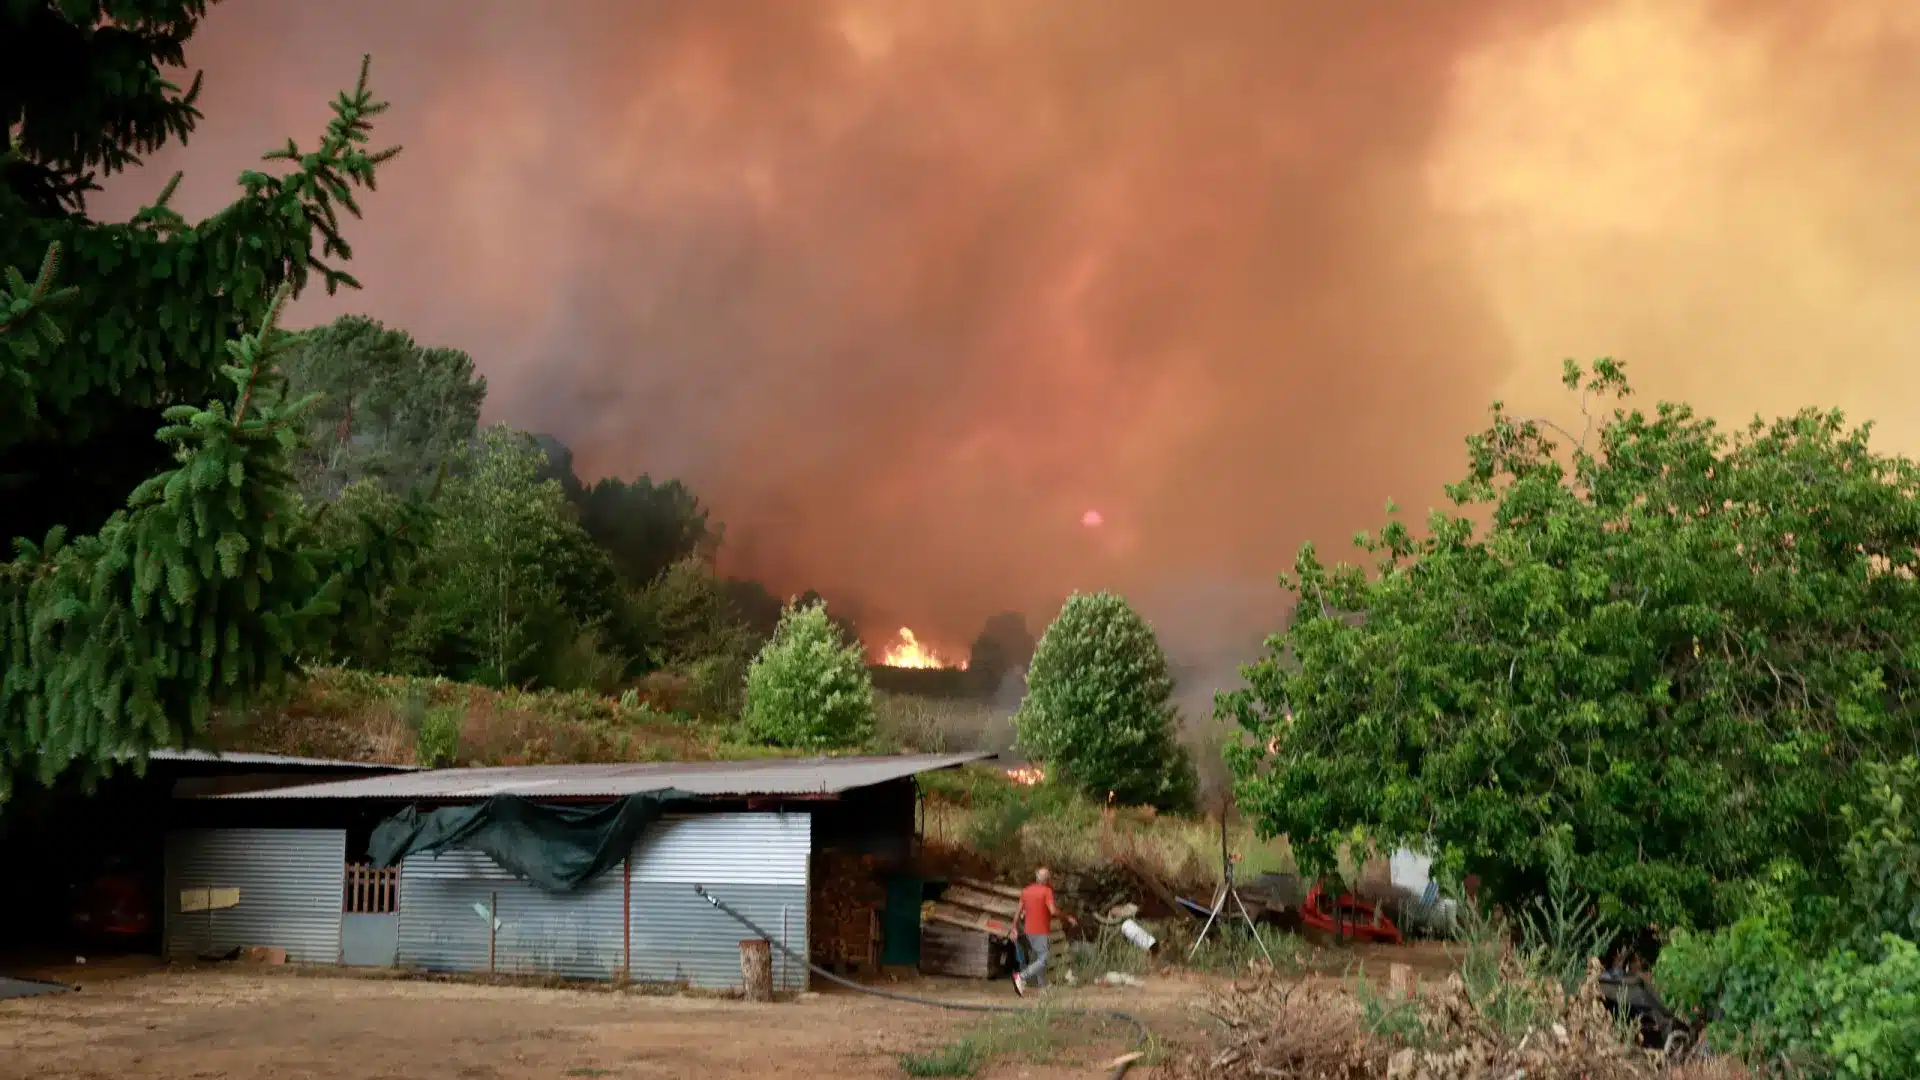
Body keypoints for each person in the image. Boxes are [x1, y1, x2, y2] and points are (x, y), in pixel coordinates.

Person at [1012, 866, 1070, 995]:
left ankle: (1043, 987)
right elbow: (1053, 911)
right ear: (1047, 879)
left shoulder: (1026, 891)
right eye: (1047, 876)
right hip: (1041, 930)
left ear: (1036, 877)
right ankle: (1021, 976)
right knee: (1044, 959)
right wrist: (1067, 917)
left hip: (1028, 931)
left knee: (1040, 958)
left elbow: (1018, 912)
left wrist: (1014, 928)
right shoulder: (1047, 891)